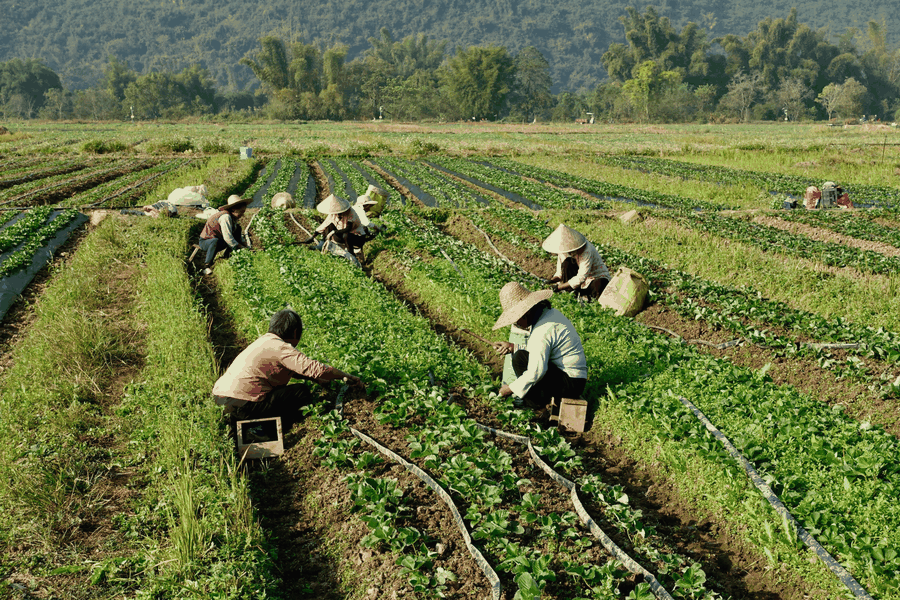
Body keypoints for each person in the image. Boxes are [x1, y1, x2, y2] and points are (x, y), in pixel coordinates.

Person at [212, 308, 364, 428]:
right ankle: (281, 425)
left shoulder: (264, 342)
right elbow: (317, 369)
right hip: (243, 405)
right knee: (301, 392)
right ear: (295, 332)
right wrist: (346, 376)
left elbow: (292, 370)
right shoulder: (281, 347)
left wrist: (317, 380)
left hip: (221, 399)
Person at [491, 282, 587, 410]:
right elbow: (538, 351)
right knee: (520, 355)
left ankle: (533, 404)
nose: (516, 324)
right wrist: (513, 347)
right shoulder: (548, 315)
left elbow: (536, 372)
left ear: (525, 313)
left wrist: (509, 389)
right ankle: (537, 399)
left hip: (571, 383)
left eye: (516, 320)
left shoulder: (542, 330)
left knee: (520, 359)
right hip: (572, 377)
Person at [543, 224, 610, 301]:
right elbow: (560, 273)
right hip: (577, 282)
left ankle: (589, 299)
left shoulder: (587, 250)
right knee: (567, 263)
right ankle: (571, 294)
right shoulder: (563, 250)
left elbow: (581, 277)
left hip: (594, 278)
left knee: (599, 284)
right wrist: (551, 281)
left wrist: (558, 287)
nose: (569, 253)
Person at [198, 195, 250, 275]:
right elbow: (228, 238)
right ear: (234, 209)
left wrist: (246, 245)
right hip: (206, 242)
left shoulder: (233, 218)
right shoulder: (226, 217)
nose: (242, 215)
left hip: (219, 240)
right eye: (241, 212)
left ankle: (227, 256)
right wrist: (241, 247)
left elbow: (237, 236)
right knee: (215, 241)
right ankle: (206, 266)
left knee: (238, 229)